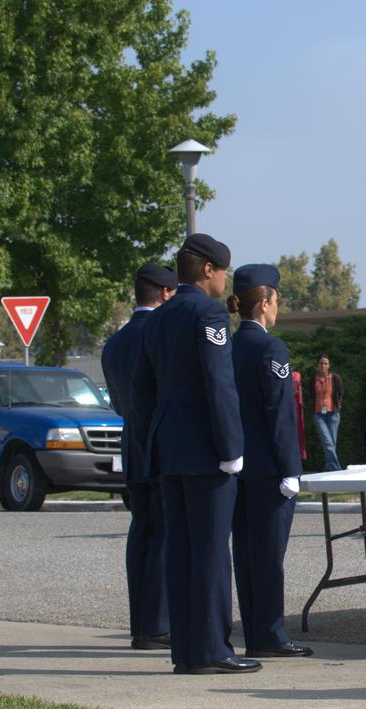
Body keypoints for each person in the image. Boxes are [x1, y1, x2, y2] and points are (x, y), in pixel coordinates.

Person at [130, 233, 258, 674]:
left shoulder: (158, 318)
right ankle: (212, 650)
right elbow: (218, 384)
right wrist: (231, 447)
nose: (224, 280)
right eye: (222, 271)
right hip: (206, 450)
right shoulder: (208, 313)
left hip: (169, 449)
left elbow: (141, 392)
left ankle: (185, 651)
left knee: (180, 551)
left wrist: (152, 443)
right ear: (208, 270)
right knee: (210, 553)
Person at [227, 264, 311, 659]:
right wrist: (291, 469)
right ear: (263, 304)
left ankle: (255, 630)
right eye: (276, 300)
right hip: (268, 470)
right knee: (269, 556)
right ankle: (270, 635)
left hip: (238, 467)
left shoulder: (226, 346)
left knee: (245, 555)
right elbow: (280, 414)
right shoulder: (270, 348)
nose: (278, 307)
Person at [101, 262, 176, 651]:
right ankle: (159, 625)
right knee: (164, 535)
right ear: (165, 293)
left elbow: (118, 404)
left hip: (132, 444)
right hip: (163, 446)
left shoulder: (114, 343)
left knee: (142, 534)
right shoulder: (162, 334)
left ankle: (143, 623)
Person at [310, 355, 343, 471]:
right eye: (321, 363)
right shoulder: (313, 379)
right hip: (319, 414)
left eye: (326, 363)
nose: (323, 366)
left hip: (333, 414)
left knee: (331, 443)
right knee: (327, 442)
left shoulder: (335, 378)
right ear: (318, 365)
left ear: (329, 365)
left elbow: (340, 392)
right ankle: (336, 469)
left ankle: (328, 468)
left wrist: (339, 405)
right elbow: (311, 394)